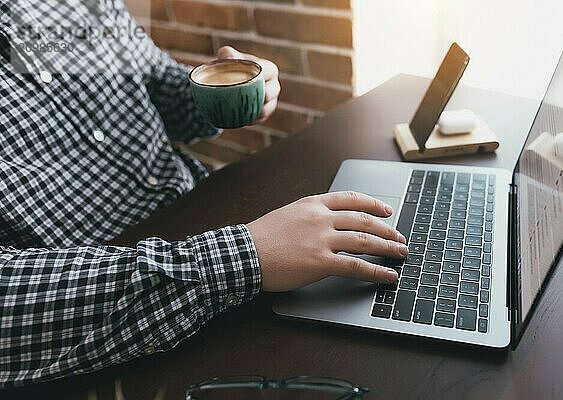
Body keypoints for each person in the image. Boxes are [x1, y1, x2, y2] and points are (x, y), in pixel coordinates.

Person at [0, 0, 408, 388]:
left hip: (213, 223)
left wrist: (227, 90)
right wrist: (243, 256)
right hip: (110, 313)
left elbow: (165, 91)